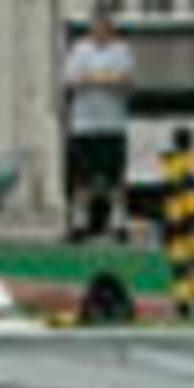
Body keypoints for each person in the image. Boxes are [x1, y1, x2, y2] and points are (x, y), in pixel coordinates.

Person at [59, 14, 135, 243]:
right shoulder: (79, 51)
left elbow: (126, 81)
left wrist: (96, 79)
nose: (101, 31)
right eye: (97, 27)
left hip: (113, 124)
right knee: (82, 179)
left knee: (115, 178)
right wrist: (101, 79)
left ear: (111, 29)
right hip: (84, 125)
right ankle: (79, 224)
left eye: (105, 27)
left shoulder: (122, 51)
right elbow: (72, 80)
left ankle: (119, 223)